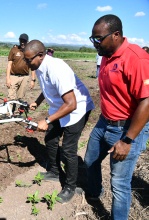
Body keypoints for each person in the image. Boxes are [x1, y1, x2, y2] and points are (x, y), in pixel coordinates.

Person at [85, 14, 149, 220]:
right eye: (92, 39)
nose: (95, 43)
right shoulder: (106, 54)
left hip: (127, 128)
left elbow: (147, 101)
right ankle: (95, 193)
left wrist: (127, 140)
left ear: (116, 35)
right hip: (105, 121)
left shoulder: (137, 58)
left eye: (98, 38)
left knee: (120, 184)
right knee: (90, 160)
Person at [23, 40, 95, 203]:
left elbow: (72, 103)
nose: (27, 63)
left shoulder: (56, 68)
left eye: (29, 60)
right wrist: (37, 101)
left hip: (77, 109)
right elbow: (48, 87)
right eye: (25, 60)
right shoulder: (39, 66)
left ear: (40, 55)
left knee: (69, 149)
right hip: (61, 106)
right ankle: (55, 172)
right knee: (50, 139)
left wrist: (47, 120)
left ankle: (70, 186)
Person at [6, 33, 36, 112]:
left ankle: (19, 111)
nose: (22, 42)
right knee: (11, 96)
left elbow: (33, 67)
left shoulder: (30, 52)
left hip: (25, 77)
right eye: (21, 40)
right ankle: (9, 113)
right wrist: (8, 78)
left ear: (27, 42)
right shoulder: (14, 50)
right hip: (13, 76)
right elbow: (9, 64)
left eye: (24, 41)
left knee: (21, 97)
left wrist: (33, 80)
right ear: (19, 40)